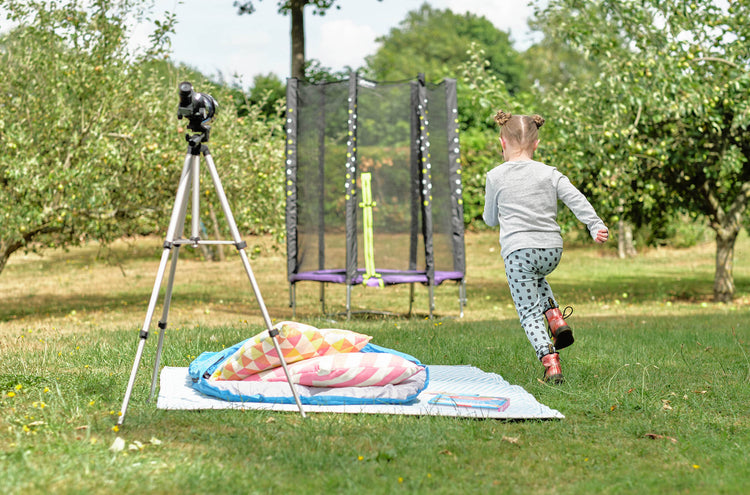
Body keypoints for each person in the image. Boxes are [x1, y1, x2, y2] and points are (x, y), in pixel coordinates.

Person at [483, 110, 609, 383]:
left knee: (528, 313)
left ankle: (549, 360)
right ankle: (555, 318)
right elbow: (576, 198)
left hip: (519, 252)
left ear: (502, 143)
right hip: (552, 250)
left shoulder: (495, 176)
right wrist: (594, 225)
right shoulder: (549, 173)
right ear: (536, 145)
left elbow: (490, 219)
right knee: (536, 277)